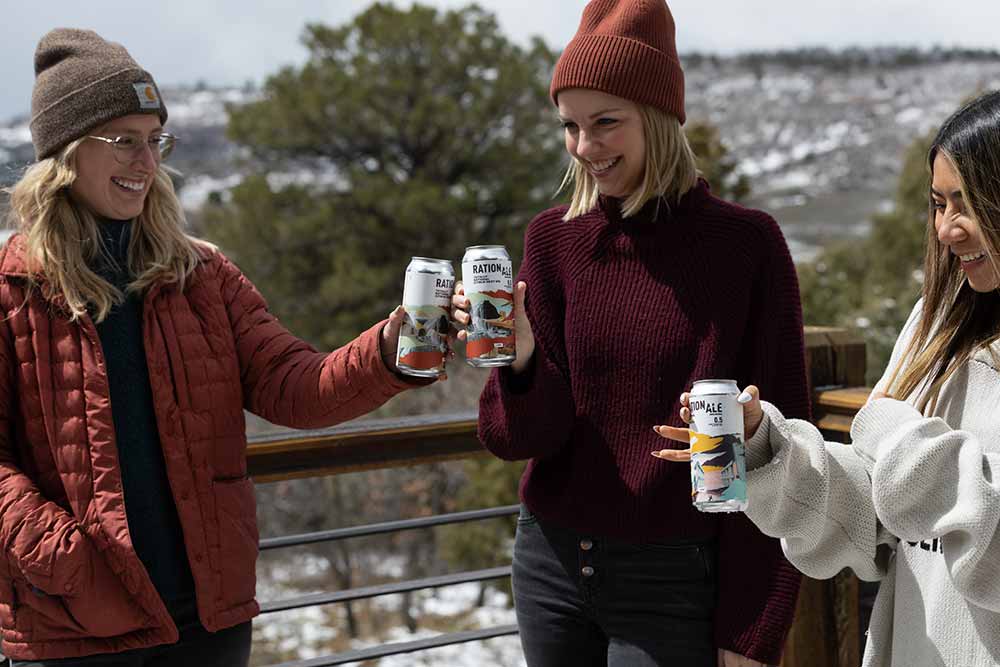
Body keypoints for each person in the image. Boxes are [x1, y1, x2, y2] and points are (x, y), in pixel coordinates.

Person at [0, 28, 431, 666]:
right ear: (66, 152)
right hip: (72, 625)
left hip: (207, 618)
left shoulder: (201, 276)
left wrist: (392, 350)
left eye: (155, 141)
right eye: (124, 141)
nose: (146, 163)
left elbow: (296, 385)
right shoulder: (12, 292)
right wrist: (61, 556)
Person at [452, 1, 811, 664]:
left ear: (658, 117)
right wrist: (521, 357)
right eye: (569, 126)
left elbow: (782, 443)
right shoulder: (552, 242)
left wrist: (753, 629)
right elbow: (513, 438)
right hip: (550, 563)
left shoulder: (746, 246)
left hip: (674, 577)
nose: (585, 148)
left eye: (606, 122)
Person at [655, 91, 1000, 666]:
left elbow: (909, 470)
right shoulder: (936, 323)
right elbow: (877, 519)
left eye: (967, 204)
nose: (945, 230)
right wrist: (767, 449)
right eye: (937, 204)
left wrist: (894, 437)